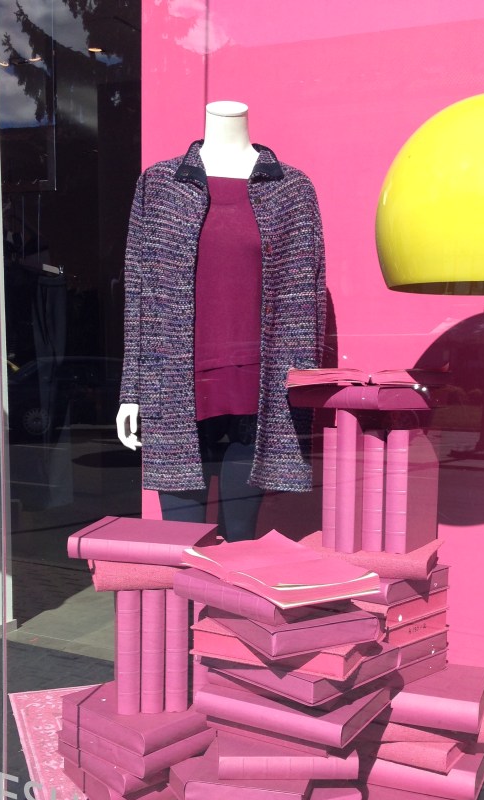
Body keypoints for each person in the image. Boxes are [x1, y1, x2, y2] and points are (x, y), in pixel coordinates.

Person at [117, 101, 325, 540]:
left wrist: (304, 383)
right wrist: (130, 392)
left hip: (258, 385)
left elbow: (306, 293)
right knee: (181, 542)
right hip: (174, 382)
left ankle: (233, 589)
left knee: (241, 538)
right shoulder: (159, 185)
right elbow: (138, 291)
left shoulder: (292, 189)